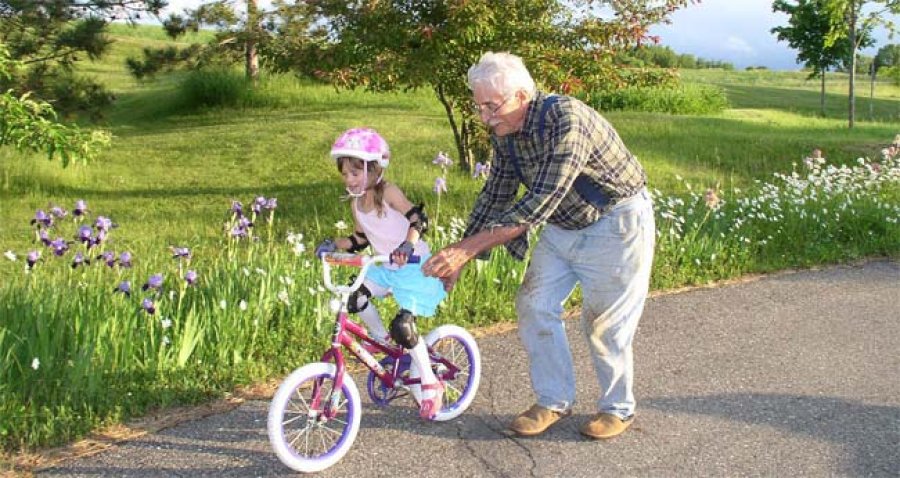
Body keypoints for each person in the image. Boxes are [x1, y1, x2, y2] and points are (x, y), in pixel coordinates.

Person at [422, 52, 656, 439]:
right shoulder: (505, 134)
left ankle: (618, 408)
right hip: (563, 225)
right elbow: (495, 195)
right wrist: (462, 254)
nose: (484, 117)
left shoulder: (567, 119)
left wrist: (467, 250)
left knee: (604, 325)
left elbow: (540, 201)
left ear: (521, 96)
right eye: (479, 106)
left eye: (491, 106)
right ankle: (553, 400)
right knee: (534, 303)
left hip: (616, 223)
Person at [315, 127, 448, 419]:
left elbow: (418, 219)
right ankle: (380, 338)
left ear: (374, 168)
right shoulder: (356, 204)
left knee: (404, 326)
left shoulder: (388, 192)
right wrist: (332, 245)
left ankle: (429, 382)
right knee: (355, 299)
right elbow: (360, 240)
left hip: (414, 267)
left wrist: (407, 246)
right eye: (345, 174)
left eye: (355, 172)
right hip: (385, 267)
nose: (349, 179)